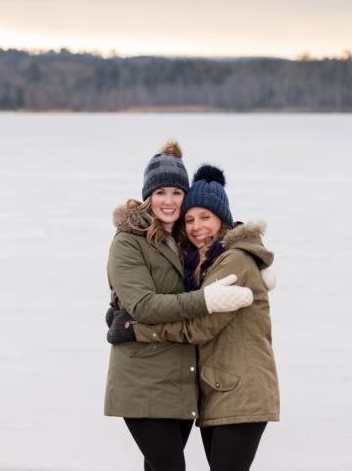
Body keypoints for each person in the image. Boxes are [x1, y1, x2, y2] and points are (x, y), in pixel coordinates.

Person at [111, 164, 279, 471]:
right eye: (189, 219)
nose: (196, 226)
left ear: (222, 220)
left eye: (205, 217)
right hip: (214, 390)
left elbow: (201, 328)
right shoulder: (200, 259)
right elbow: (145, 298)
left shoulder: (232, 261)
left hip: (240, 391)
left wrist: (136, 329)